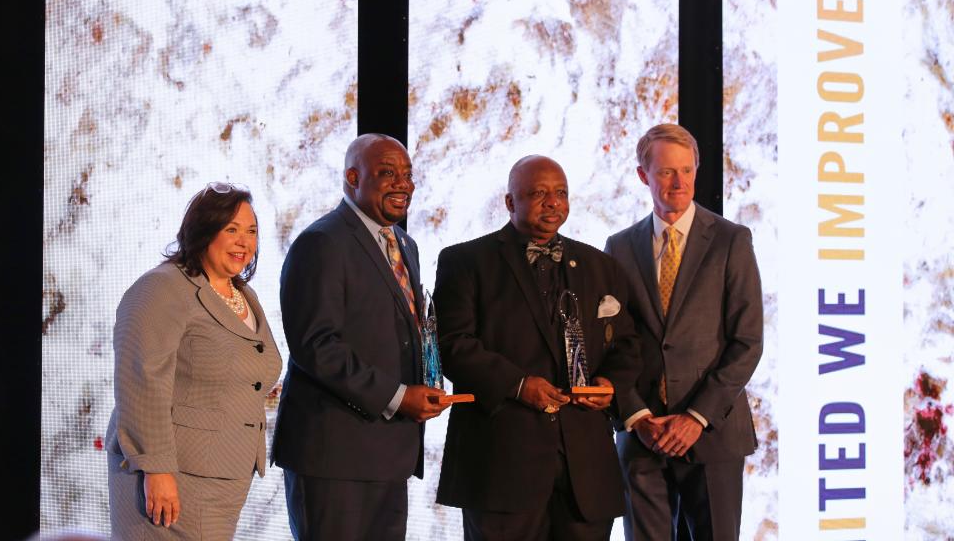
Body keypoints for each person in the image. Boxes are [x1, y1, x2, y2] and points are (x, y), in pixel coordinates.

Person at [433, 155, 642, 541]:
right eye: (539, 193)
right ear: (510, 202)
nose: (553, 202)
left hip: (586, 472)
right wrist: (518, 384)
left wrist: (611, 383)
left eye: (560, 193)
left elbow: (628, 344)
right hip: (501, 467)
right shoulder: (464, 261)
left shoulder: (601, 265)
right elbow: (453, 345)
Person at [272, 134, 448, 541]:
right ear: (352, 176)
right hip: (334, 458)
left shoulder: (405, 244)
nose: (403, 184)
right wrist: (399, 395)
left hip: (389, 455)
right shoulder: (321, 242)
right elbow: (316, 346)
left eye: (408, 175)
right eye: (388, 174)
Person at [604, 123, 764, 541]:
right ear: (643, 175)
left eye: (687, 171)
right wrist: (637, 416)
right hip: (644, 436)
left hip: (713, 434)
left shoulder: (732, 240)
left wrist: (696, 417)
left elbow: (747, 341)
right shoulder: (618, 248)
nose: (679, 183)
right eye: (665, 172)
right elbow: (612, 342)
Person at [106, 183, 282, 540]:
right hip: (171, 480)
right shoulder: (163, 287)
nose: (243, 242)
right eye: (231, 229)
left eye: (251, 231)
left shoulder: (242, 294)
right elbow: (142, 379)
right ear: (203, 230)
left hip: (223, 479)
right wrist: (156, 470)